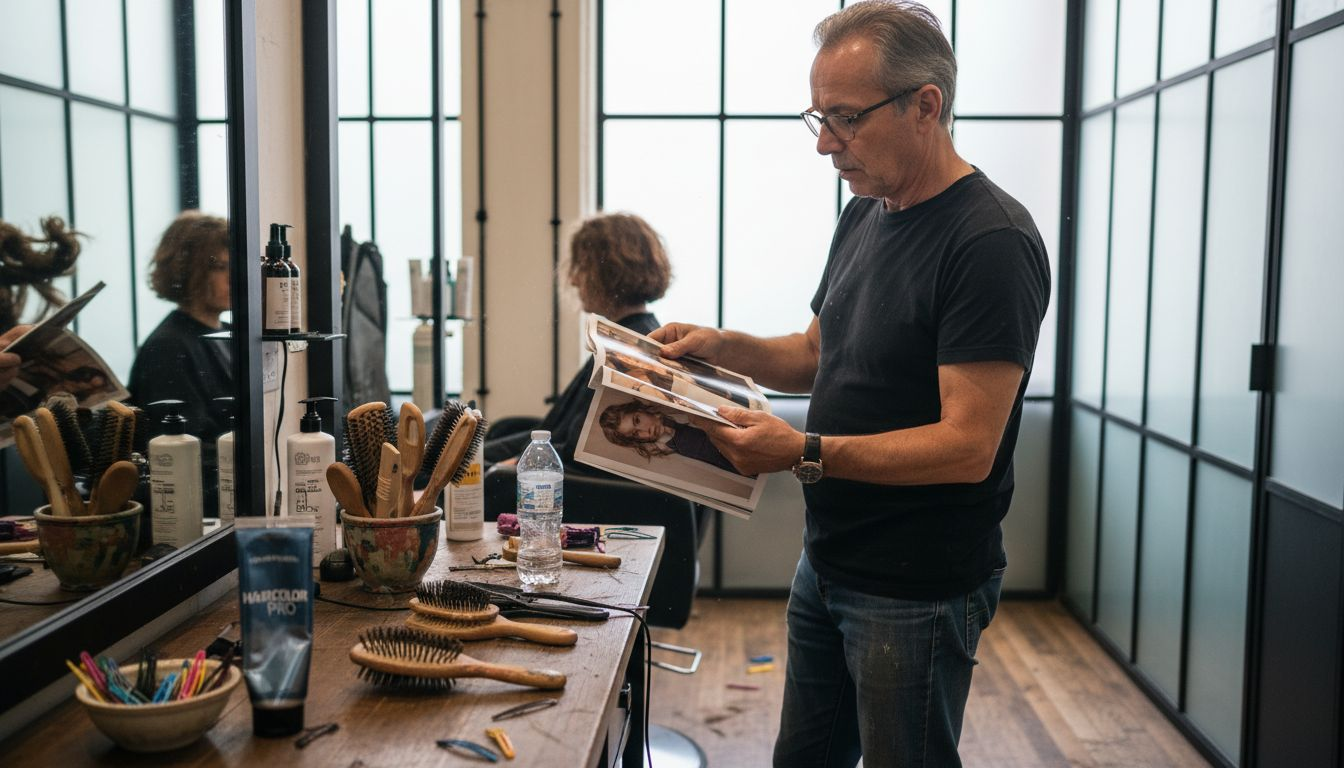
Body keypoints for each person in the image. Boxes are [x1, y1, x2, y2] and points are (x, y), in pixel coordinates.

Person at [650, 3, 1050, 766]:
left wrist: (803, 452)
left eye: (846, 118)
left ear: (924, 105)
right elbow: (814, 354)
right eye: (817, 117)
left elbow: (967, 447)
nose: (826, 144)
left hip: (916, 586)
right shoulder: (867, 213)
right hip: (829, 560)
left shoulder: (989, 242)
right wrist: (720, 345)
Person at [483, 212, 672, 465]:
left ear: (608, 272)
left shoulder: (626, 352)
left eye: (581, 268)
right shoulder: (629, 337)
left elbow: (575, 452)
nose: (573, 280)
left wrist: (500, 468)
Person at [129, 211, 234, 517]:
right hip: (193, 507)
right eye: (219, 267)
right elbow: (185, 448)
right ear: (189, 271)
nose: (233, 277)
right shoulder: (168, 346)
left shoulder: (228, 335)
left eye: (234, 266)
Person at [597, 400, 737, 473]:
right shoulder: (679, 444)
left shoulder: (676, 410)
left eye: (637, 420)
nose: (647, 431)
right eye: (635, 433)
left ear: (640, 410)